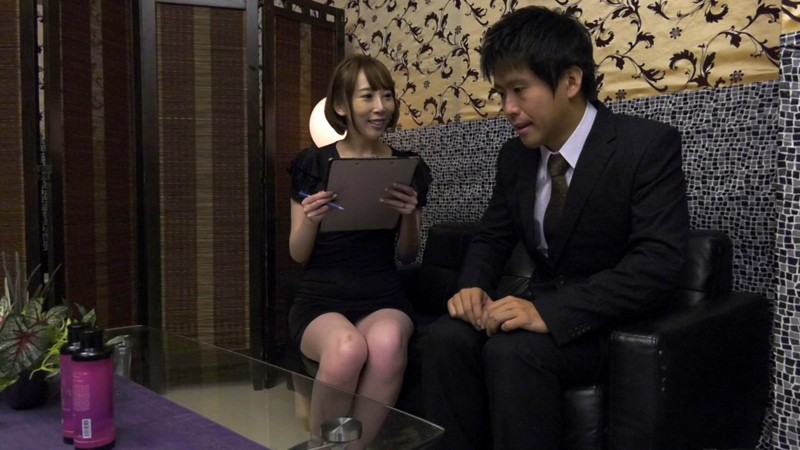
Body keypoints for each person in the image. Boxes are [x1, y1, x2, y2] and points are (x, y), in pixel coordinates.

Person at [421, 6, 689, 450]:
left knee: (512, 350)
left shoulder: (645, 146)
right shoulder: (515, 157)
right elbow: (492, 237)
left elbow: (657, 262)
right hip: (542, 311)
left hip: (606, 325)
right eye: (501, 93)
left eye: (519, 90)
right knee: (445, 337)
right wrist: (472, 287)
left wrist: (551, 312)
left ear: (570, 81)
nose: (507, 109)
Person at [287, 54, 432, 449]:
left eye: (387, 96)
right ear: (341, 105)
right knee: (346, 349)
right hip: (321, 298)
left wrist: (409, 217)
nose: (380, 107)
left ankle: (355, 448)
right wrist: (311, 219)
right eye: (367, 96)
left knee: (387, 344)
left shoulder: (406, 168)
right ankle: (323, 446)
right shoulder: (313, 163)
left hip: (383, 295)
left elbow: (408, 255)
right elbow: (297, 253)